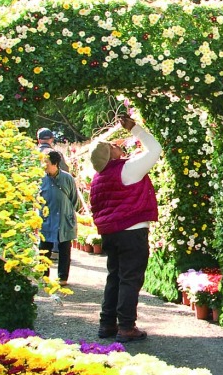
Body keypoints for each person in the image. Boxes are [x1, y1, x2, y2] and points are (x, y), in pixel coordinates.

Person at [89, 112, 162, 341]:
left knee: (115, 277)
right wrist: (135, 129)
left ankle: (107, 323)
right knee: (130, 278)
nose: (116, 145)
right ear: (110, 155)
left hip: (111, 233)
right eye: (112, 146)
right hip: (131, 231)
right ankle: (126, 326)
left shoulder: (98, 177)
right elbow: (155, 149)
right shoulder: (127, 169)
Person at [39, 149, 78, 283]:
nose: (44, 165)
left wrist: (67, 212)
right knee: (44, 249)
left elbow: (74, 199)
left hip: (64, 219)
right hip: (46, 220)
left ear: (55, 163)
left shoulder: (67, 178)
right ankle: (43, 276)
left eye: (47, 163)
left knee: (65, 249)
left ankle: (63, 277)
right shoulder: (41, 179)